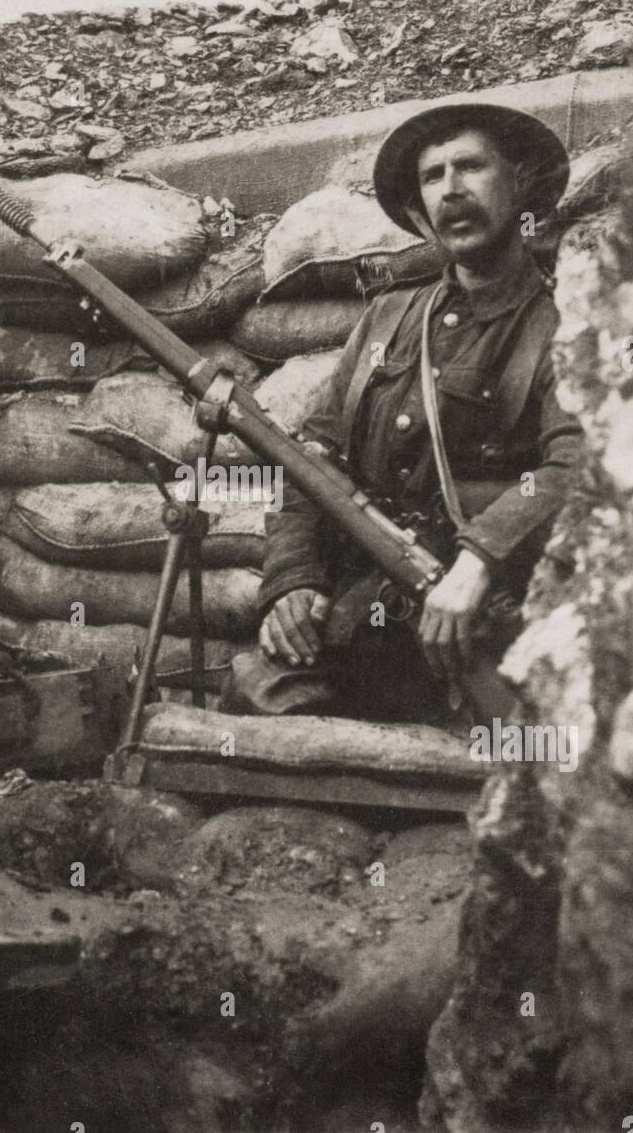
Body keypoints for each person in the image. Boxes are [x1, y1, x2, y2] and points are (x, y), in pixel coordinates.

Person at [221, 101, 584, 724]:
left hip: (494, 617)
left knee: (533, 759)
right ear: (419, 210)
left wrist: (479, 561)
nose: (452, 190)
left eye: (471, 167)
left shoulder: (564, 322)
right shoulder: (387, 320)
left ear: (519, 184)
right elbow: (314, 461)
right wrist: (293, 581)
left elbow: (577, 464)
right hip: (372, 610)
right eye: (433, 176)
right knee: (254, 698)